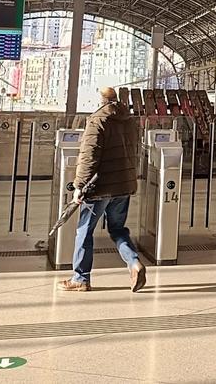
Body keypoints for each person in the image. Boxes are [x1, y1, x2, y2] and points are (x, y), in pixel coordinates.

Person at [58, 87, 146, 293]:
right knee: (117, 229)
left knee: (84, 231)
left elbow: (89, 156)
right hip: (123, 184)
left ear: (100, 101)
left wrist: (79, 186)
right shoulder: (128, 120)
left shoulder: (97, 121)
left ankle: (80, 278)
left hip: (100, 186)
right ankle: (134, 263)